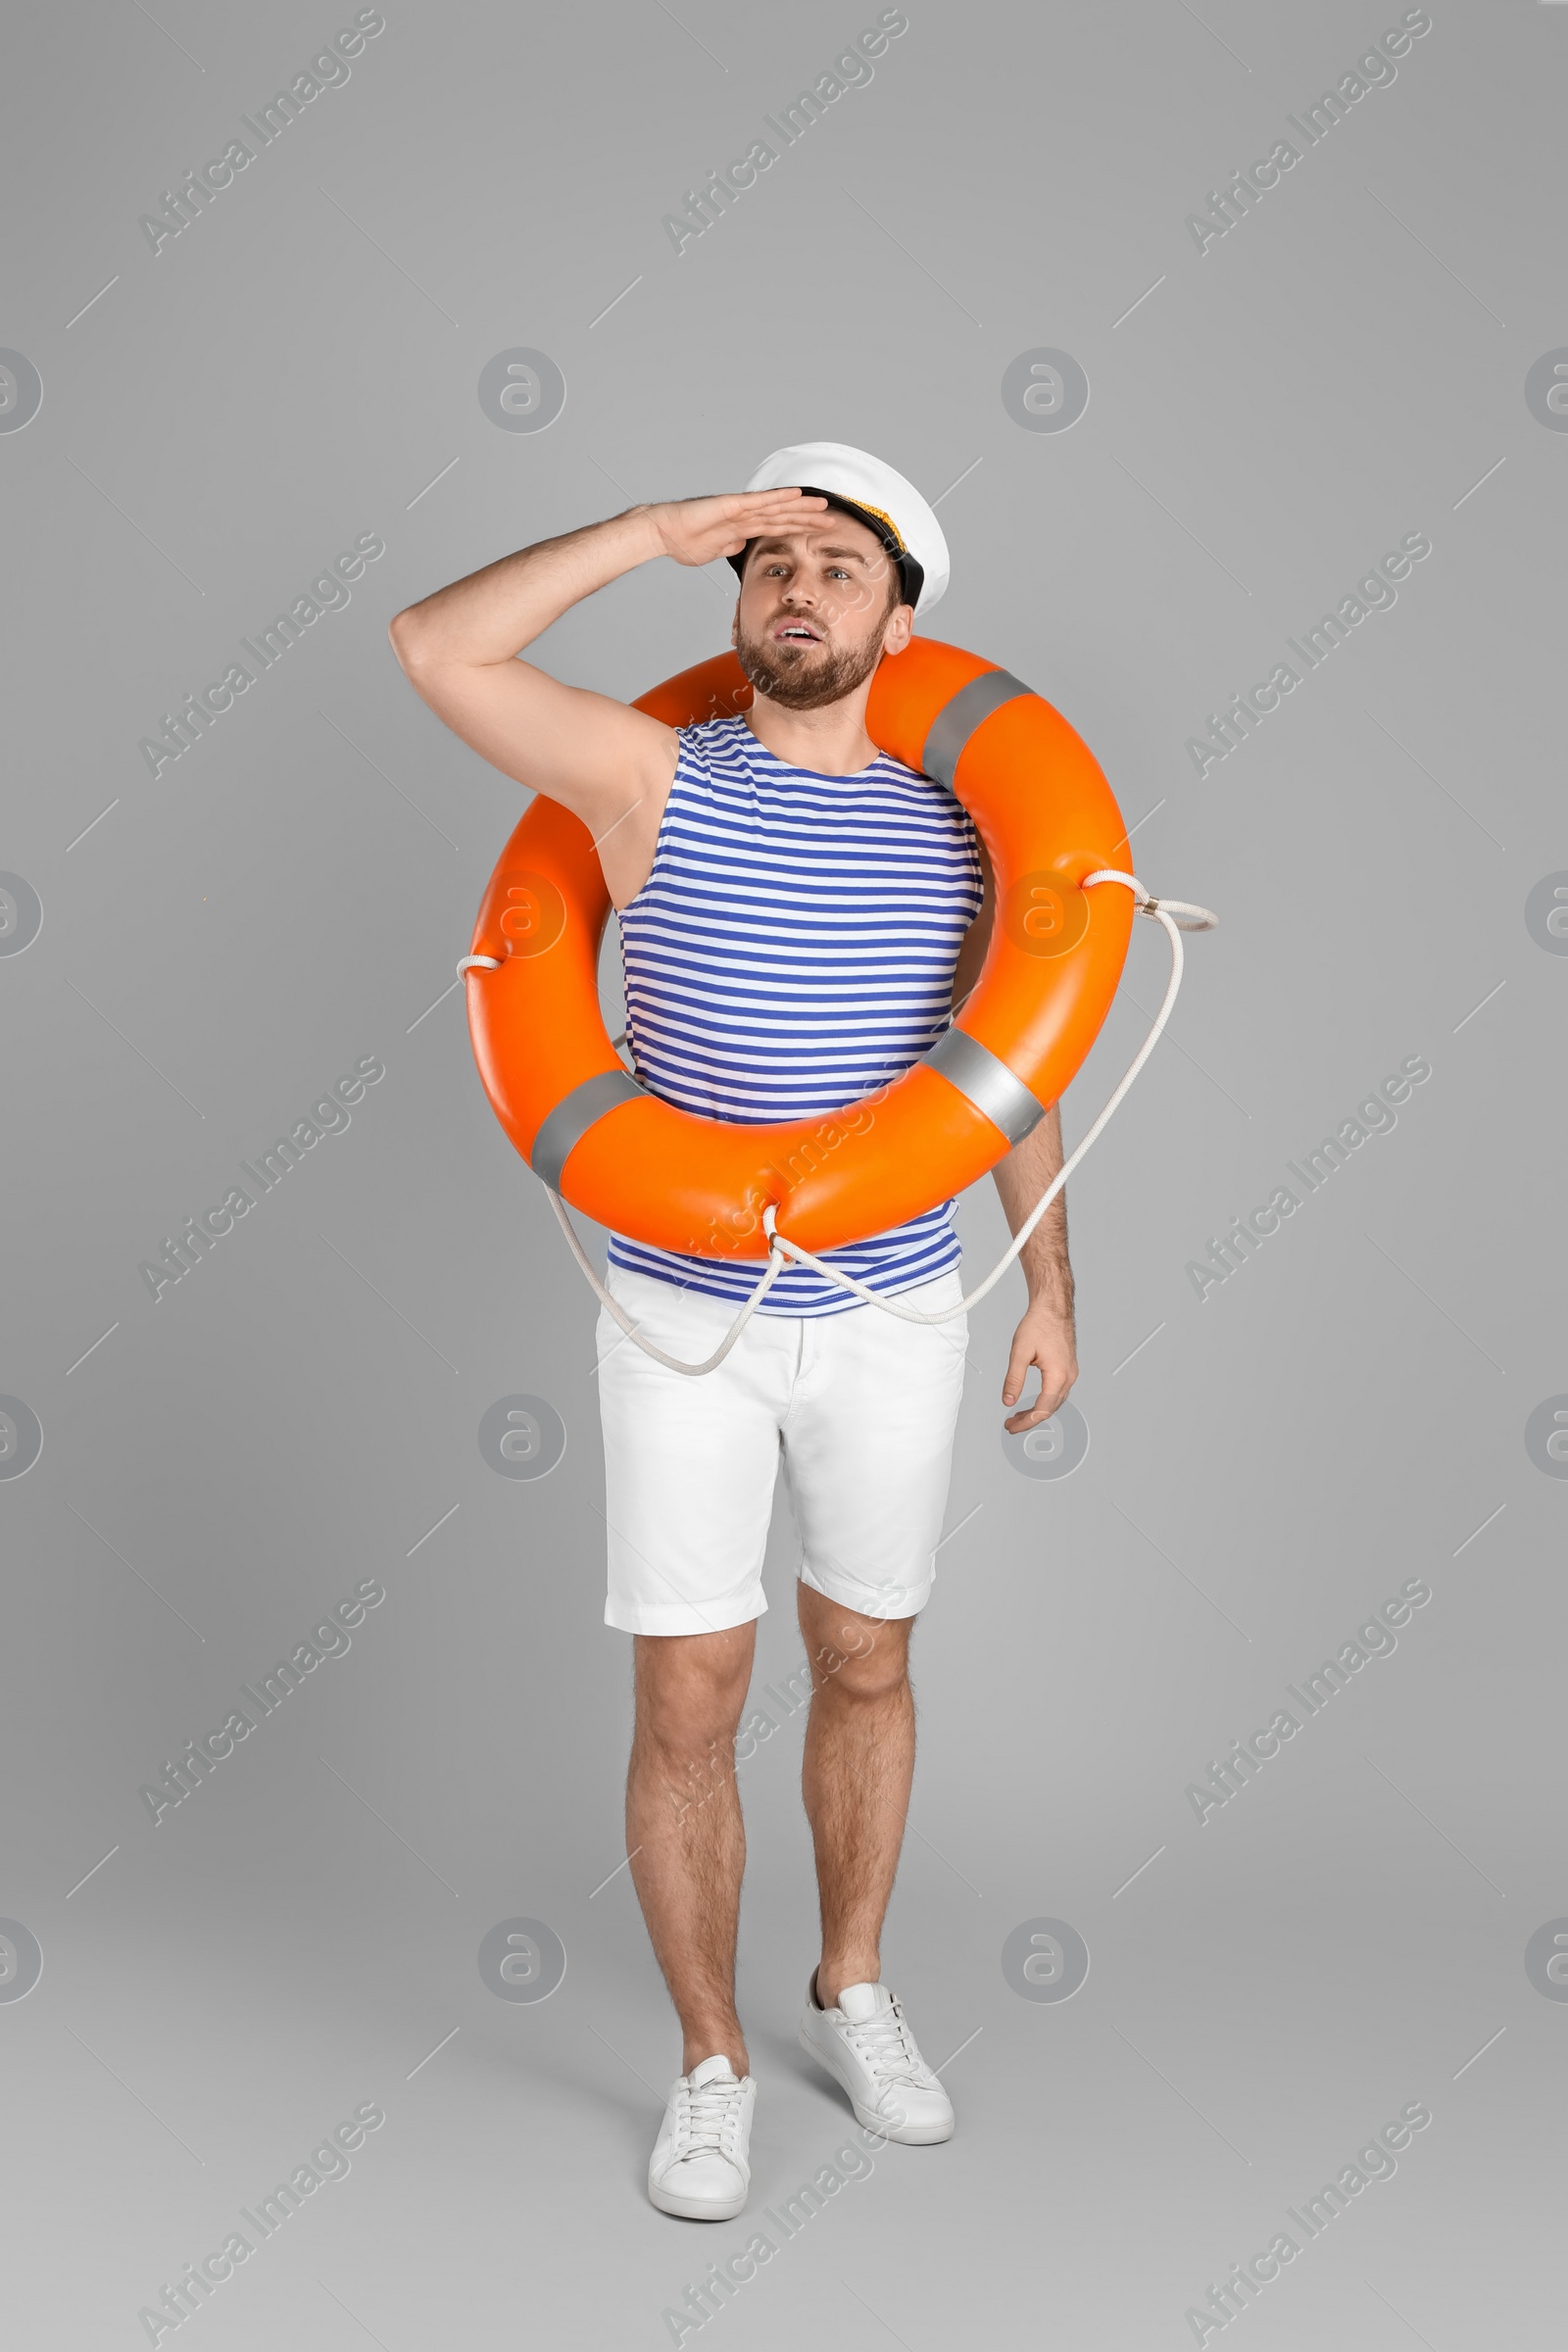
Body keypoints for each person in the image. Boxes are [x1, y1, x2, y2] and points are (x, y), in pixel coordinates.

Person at [388, 443, 1079, 2220]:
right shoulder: (648, 779)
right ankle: (712, 2062)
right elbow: (435, 650)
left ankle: (852, 1986)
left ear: (900, 616)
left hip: (895, 1313)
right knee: (689, 1693)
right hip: (683, 1318)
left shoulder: (968, 825)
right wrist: (646, 528)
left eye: (840, 569)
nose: (799, 589)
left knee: (866, 1660)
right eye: (770, 564)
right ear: (736, 602)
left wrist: (1055, 1291)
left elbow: (1009, 1083)